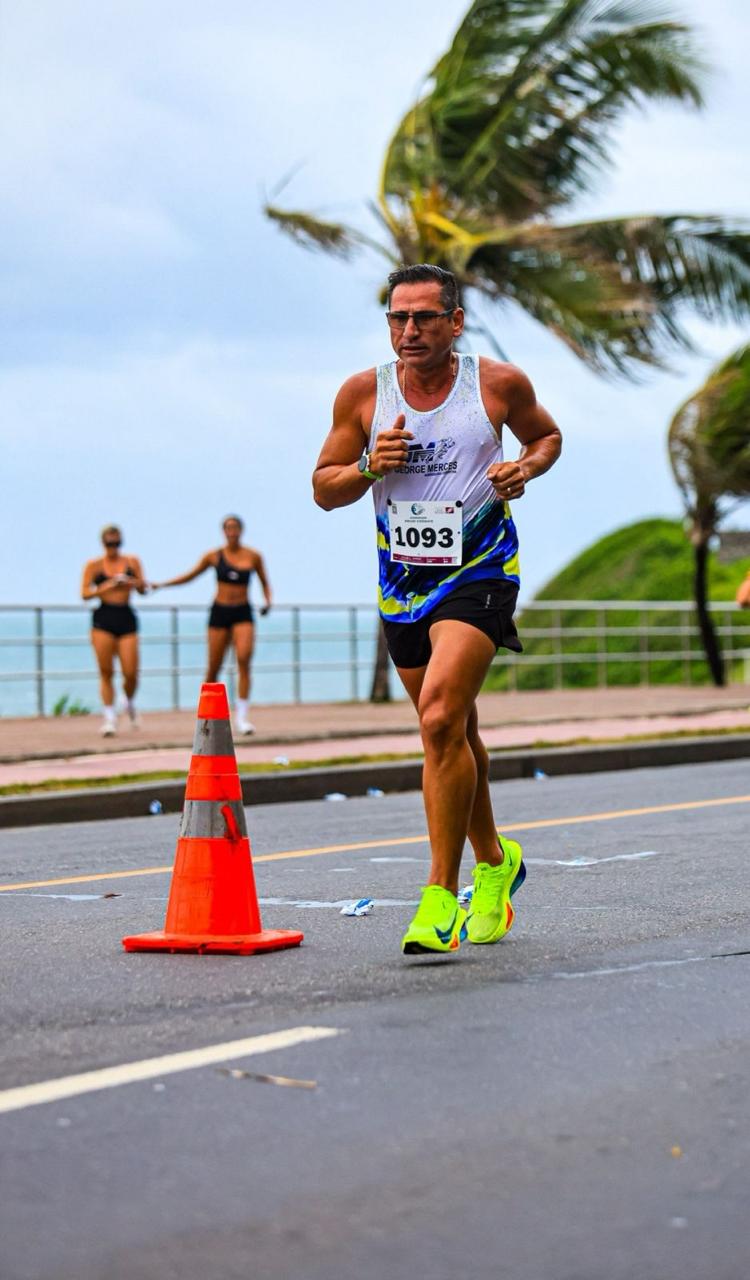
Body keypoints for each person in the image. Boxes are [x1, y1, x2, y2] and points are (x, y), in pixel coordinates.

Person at [314, 263, 562, 956]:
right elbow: (323, 488)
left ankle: (436, 897)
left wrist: (525, 468)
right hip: (405, 585)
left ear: (456, 323)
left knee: (439, 718)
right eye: (398, 317)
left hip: (480, 571)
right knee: (452, 735)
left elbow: (546, 437)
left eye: (425, 317)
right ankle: (496, 862)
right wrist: (369, 465)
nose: (409, 330)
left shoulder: (497, 384)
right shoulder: (365, 393)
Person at [152, 516, 271, 734]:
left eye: (235, 528)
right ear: (223, 532)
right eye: (228, 528)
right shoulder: (214, 556)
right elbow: (190, 576)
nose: (232, 532)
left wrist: (268, 601)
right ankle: (206, 718)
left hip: (243, 611)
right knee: (213, 666)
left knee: (244, 659)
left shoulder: (253, 556)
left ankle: (242, 718)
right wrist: (161, 585)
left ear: (241, 531)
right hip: (220, 611)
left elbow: (265, 582)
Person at [80, 526, 148, 736]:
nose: (113, 547)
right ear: (103, 543)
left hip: (126, 616)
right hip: (103, 618)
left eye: (116, 543)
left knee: (130, 672)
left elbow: (143, 589)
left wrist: (131, 582)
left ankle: (128, 700)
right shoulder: (94, 565)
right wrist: (108, 585)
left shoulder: (131, 561)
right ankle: (109, 717)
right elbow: (84, 593)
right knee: (106, 671)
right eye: (110, 543)